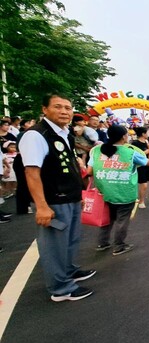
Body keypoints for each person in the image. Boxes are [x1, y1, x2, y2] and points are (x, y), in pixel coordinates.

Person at [19, 92, 96, 302]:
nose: (64, 111)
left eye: (67, 108)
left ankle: (68, 271)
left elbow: (69, 165)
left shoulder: (64, 133)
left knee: (71, 240)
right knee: (54, 245)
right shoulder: (36, 135)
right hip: (53, 200)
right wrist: (42, 206)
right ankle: (61, 289)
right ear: (45, 109)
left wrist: (77, 193)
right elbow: (32, 173)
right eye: (58, 107)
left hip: (70, 197)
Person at [87, 124, 149, 255]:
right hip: (124, 193)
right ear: (124, 136)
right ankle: (119, 246)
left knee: (107, 219)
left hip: (104, 192)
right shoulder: (130, 152)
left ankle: (102, 243)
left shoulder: (96, 150)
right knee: (121, 221)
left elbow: (89, 171)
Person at [131, 127, 149, 209]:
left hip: (148, 165)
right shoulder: (134, 143)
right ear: (143, 134)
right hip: (140, 166)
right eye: (147, 132)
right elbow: (137, 155)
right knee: (144, 185)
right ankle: (141, 201)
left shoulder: (146, 142)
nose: (148, 134)